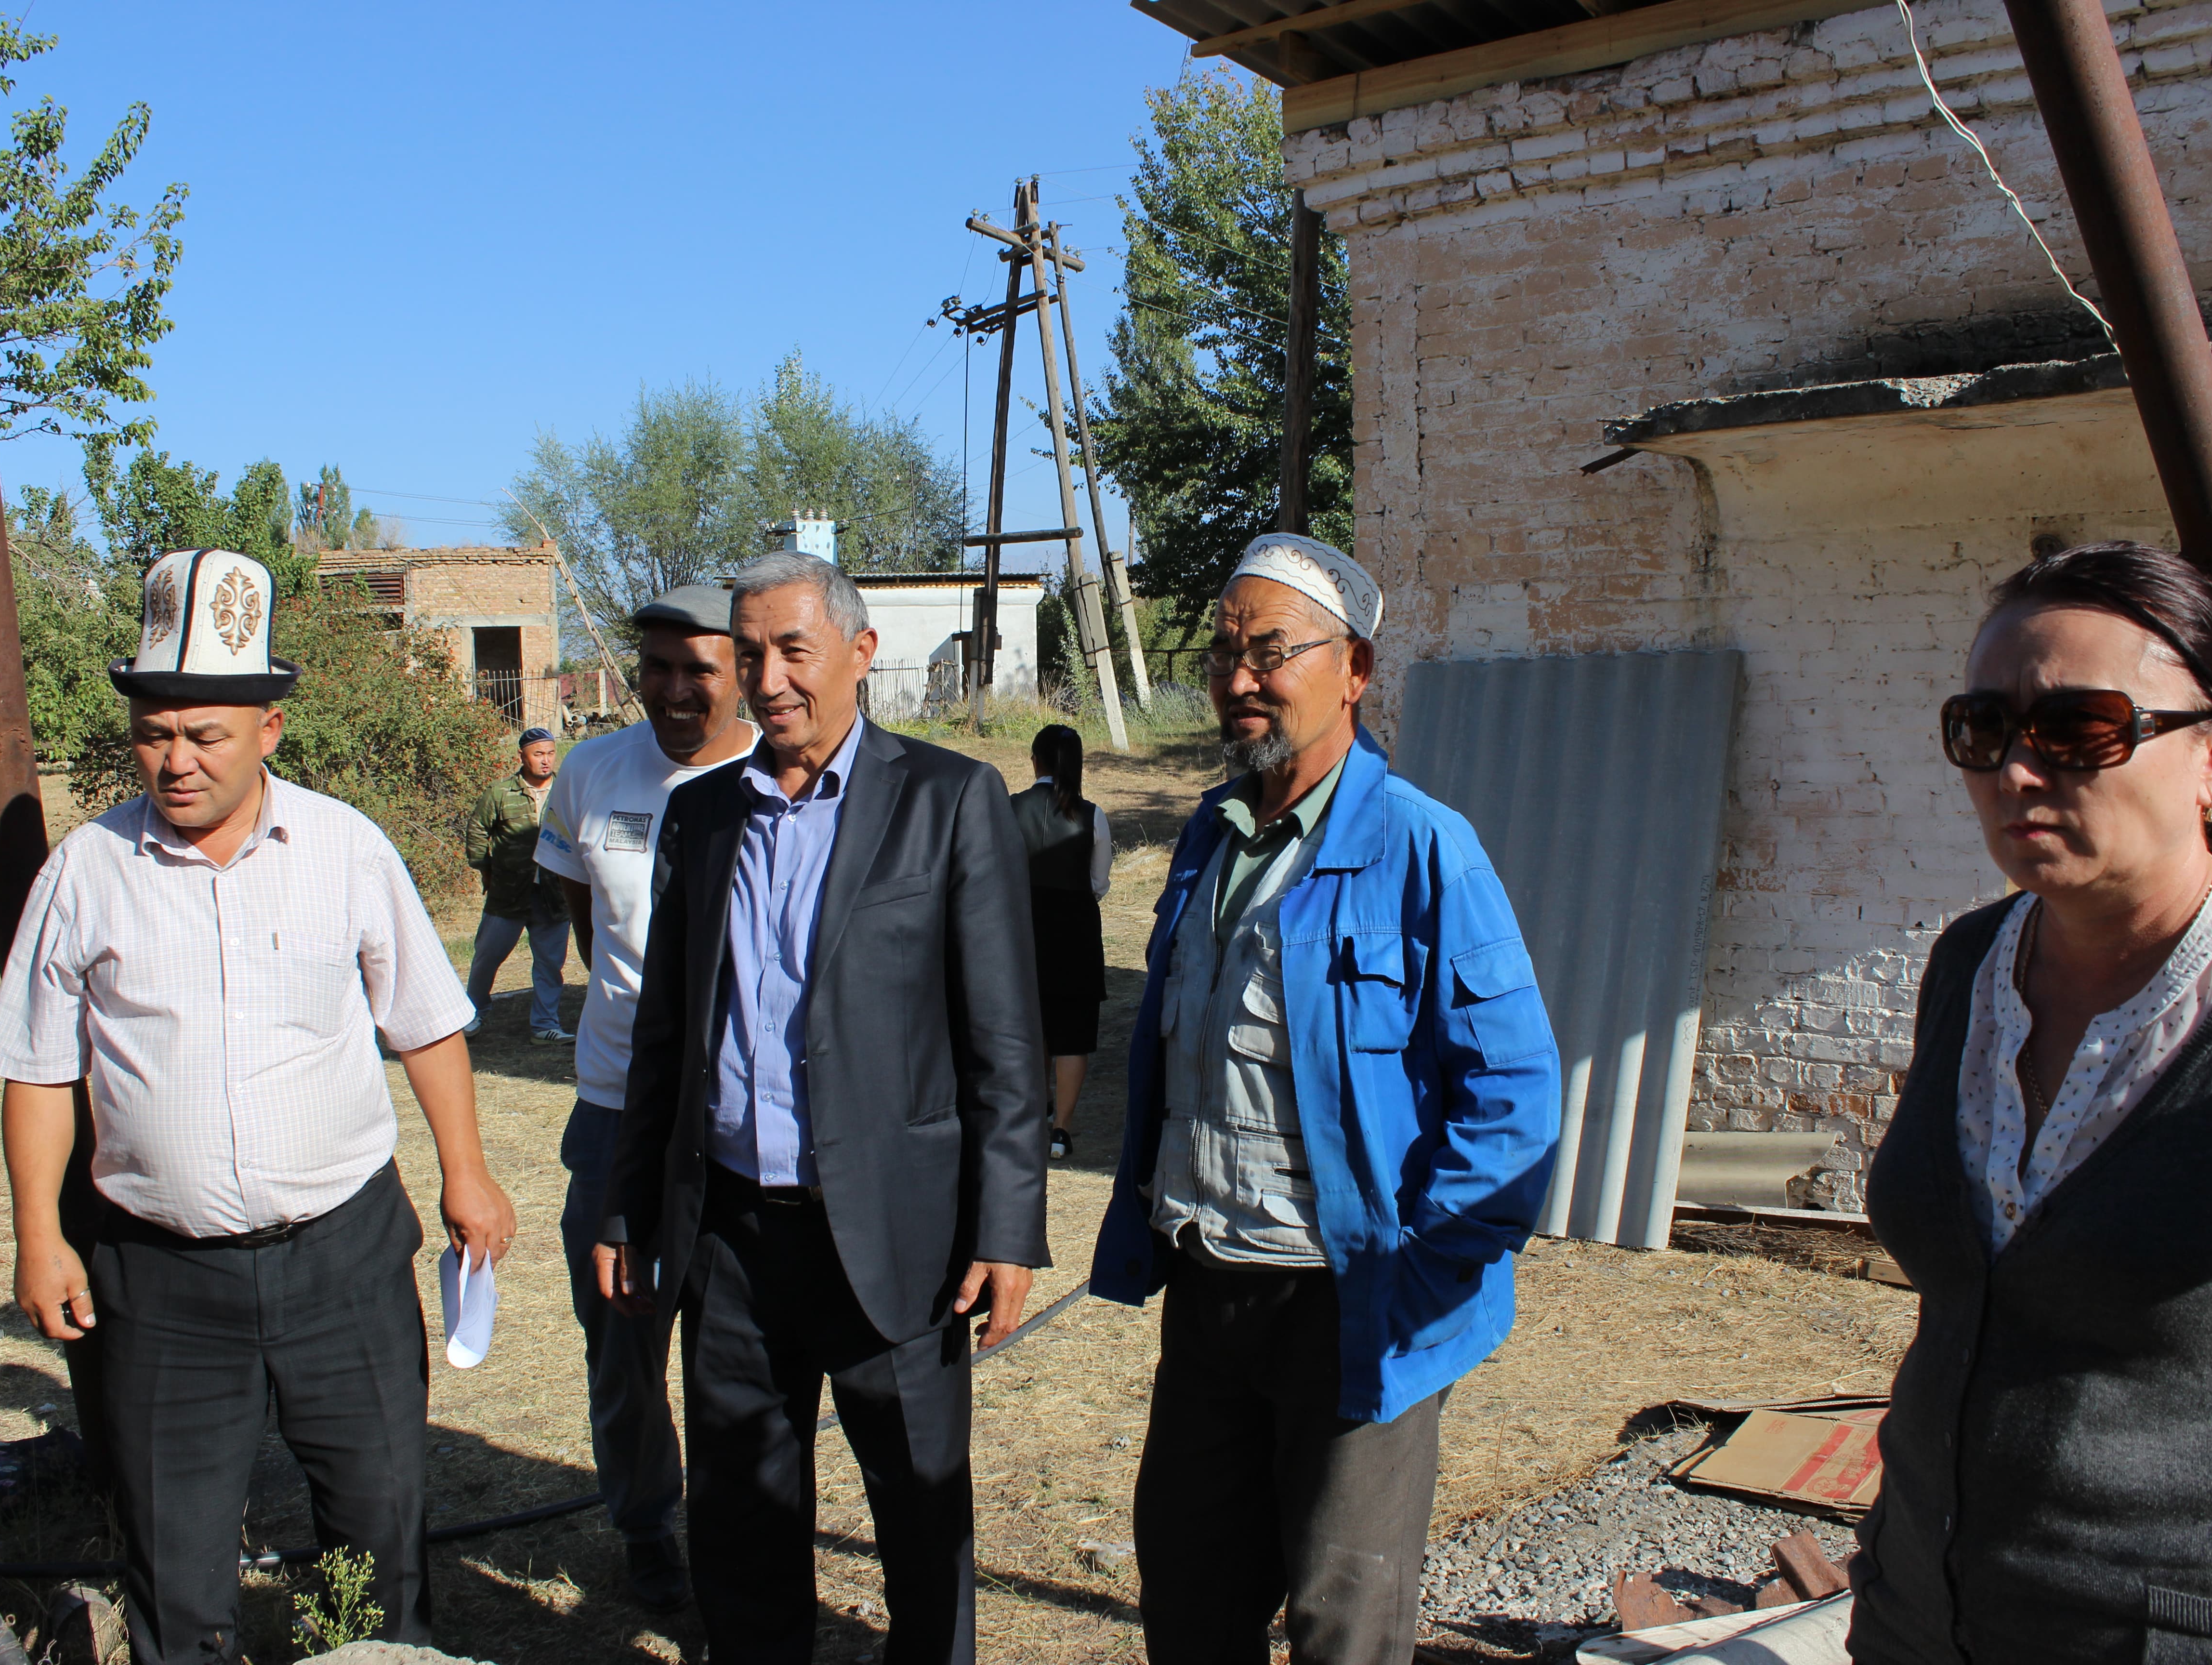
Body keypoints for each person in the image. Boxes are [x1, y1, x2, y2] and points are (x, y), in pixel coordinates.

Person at [0, 549, 518, 1665]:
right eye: (154, 733)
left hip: (342, 1258)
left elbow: (423, 1018)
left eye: (204, 735)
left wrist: (464, 1170)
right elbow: (39, 1068)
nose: (175, 760)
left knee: (367, 1536)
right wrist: (41, 1235)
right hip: (162, 1276)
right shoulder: (87, 871)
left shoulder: (344, 849)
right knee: (176, 1562)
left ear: (267, 729)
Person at [1091, 533, 1562, 1665]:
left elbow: (1515, 1099)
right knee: (1192, 1597)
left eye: (1270, 650)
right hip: (1209, 1289)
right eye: (1221, 651)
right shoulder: (1209, 837)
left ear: (1352, 670)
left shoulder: (1422, 848)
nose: (1239, 675)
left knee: (1341, 1623)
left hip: (1351, 1309)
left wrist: (1416, 1277)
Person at [1851, 542, 2212, 1664]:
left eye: (2077, 730)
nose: (2015, 770)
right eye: (1982, 727)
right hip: (1919, 1610)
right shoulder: (1968, 964)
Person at [598, 552, 1047, 1664]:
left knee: (918, 1512)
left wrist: (1006, 1227)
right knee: (744, 1520)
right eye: (749, 654)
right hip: (734, 1238)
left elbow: (1001, 1038)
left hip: (896, 1234)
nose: (770, 678)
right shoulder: (702, 816)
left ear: (857, 652)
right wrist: (630, 1205)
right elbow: (664, 1036)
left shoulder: (948, 799)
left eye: (793, 649)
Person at [530, 583, 757, 1610]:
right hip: (618, 1111)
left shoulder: (776, 777)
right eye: (656, 668)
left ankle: (738, 1529)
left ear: (743, 673)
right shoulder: (589, 774)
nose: (673, 689)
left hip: (743, 1122)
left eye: (697, 670)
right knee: (621, 1338)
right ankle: (645, 1527)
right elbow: (588, 921)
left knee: (738, 1341)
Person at [1011, 724, 1111, 1161]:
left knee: (1031, 1030)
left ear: (1035, 761)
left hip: (1021, 933)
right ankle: (1061, 1130)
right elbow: (1099, 883)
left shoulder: (1007, 808)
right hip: (1075, 934)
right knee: (1072, 1035)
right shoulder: (1092, 814)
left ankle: (1035, 1113)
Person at [463, 726, 573, 1044]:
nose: (546, 760)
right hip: (508, 895)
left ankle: (545, 1025)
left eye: (551, 753)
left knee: (550, 965)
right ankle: (473, 1014)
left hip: (553, 896)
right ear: (522, 757)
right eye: (538, 754)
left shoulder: (567, 790)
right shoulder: (500, 793)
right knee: (487, 957)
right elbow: (477, 831)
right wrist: (486, 870)